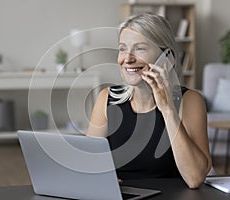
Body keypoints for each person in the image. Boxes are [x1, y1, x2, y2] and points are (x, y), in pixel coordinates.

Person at [86, 13, 212, 188]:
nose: (127, 59)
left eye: (140, 48)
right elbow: (88, 164)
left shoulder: (190, 101)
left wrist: (168, 109)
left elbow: (195, 178)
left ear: (167, 58)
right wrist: (99, 179)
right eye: (122, 48)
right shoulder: (107, 98)